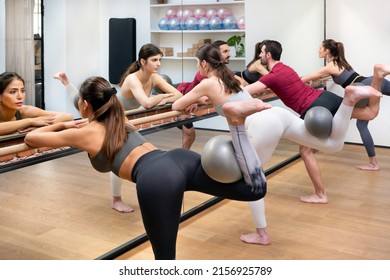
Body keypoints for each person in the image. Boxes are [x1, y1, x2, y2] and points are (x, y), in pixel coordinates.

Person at [24, 75, 268, 260]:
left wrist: (59, 125)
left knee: (164, 259)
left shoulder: (86, 132)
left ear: (84, 104)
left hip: (156, 178)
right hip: (177, 159)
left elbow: (31, 139)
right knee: (253, 190)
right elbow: (87, 105)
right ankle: (236, 124)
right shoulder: (120, 116)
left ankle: (236, 121)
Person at [174, 43, 383, 246]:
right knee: (333, 145)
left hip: (260, 125)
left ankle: (261, 234)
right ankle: (348, 100)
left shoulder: (206, 83)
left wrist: (197, 98)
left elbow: (177, 105)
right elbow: (225, 97)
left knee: (253, 181)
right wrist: (204, 100)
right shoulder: (231, 78)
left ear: (202, 64)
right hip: (277, 115)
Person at [54, 43, 183, 213]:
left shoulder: (154, 77)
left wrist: (160, 98)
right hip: (110, 114)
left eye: (160, 60)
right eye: (154, 60)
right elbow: (146, 103)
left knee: (116, 151)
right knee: (81, 105)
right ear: (142, 62)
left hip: (123, 118)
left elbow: (179, 95)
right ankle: (66, 82)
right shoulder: (132, 79)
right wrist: (165, 96)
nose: (158, 64)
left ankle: (65, 81)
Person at [301, 39, 390, 171]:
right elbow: (325, 76)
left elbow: (304, 78)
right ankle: (379, 73)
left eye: (320, 48)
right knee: (362, 123)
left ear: (326, 51)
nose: (318, 50)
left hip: (364, 86)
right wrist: (317, 79)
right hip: (371, 81)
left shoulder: (330, 66)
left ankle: (373, 163)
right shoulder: (341, 63)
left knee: (362, 123)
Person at [0, 72, 73, 136]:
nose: (20, 96)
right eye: (13, 92)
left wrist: (40, 127)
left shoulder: (25, 110)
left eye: (22, 91)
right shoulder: (28, 118)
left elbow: (68, 116)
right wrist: (30, 121)